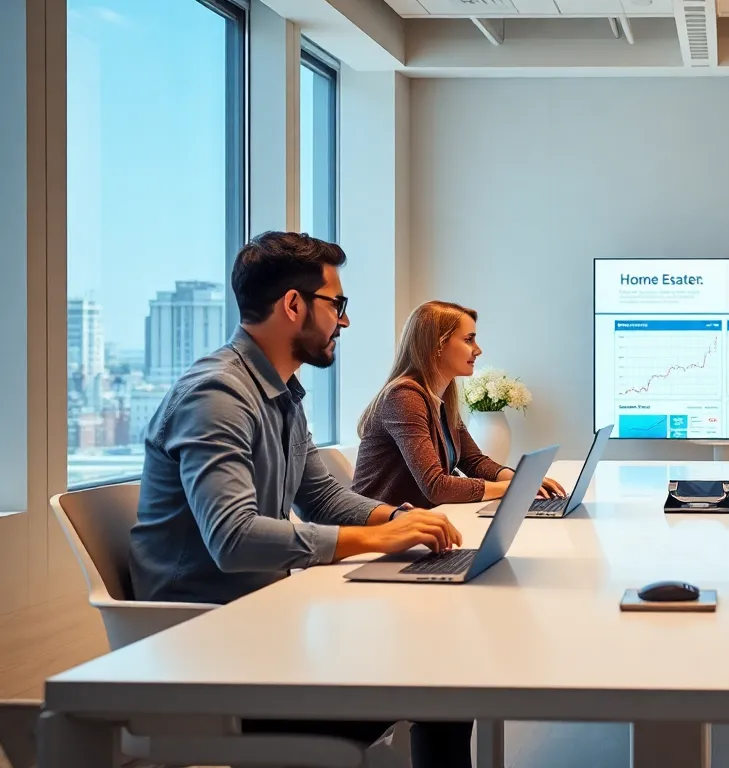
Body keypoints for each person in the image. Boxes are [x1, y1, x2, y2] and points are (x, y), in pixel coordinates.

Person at [128, 231, 473, 767]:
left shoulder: (281, 393)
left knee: (441, 662)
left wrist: (400, 519)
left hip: (262, 630)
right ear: (293, 304)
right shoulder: (217, 395)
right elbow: (233, 539)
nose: (345, 321)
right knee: (439, 677)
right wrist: (378, 538)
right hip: (209, 657)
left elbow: (323, 497)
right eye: (337, 304)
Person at [352, 300, 565, 506]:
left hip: (415, 520)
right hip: (381, 526)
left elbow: (474, 461)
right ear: (438, 344)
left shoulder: (441, 398)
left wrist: (522, 479)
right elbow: (436, 487)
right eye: (468, 339)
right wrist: (514, 486)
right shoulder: (403, 397)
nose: (478, 350)